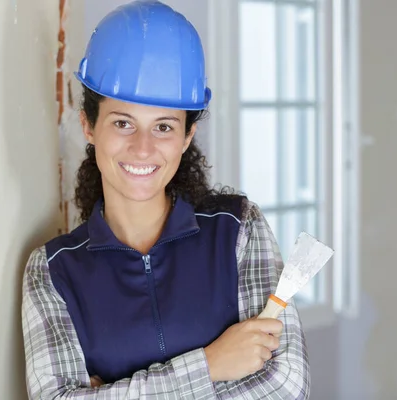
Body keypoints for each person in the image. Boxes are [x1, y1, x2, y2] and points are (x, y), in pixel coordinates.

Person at [21, 1, 309, 398]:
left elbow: (286, 388)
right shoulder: (53, 272)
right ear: (89, 125)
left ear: (187, 136)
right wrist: (211, 365)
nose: (142, 148)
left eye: (164, 127)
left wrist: (116, 391)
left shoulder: (238, 230)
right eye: (123, 122)